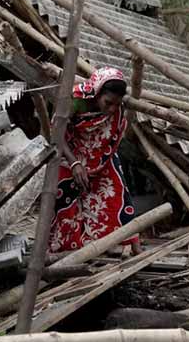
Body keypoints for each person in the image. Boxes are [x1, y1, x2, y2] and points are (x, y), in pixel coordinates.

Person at [49, 67, 141, 254]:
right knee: (64, 194)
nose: (112, 109)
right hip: (69, 154)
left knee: (116, 193)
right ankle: (69, 246)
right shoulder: (76, 101)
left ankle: (124, 242)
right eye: (108, 103)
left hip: (100, 156)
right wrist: (75, 164)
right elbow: (57, 134)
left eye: (116, 104)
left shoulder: (116, 109)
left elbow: (112, 136)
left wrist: (92, 163)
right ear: (97, 93)